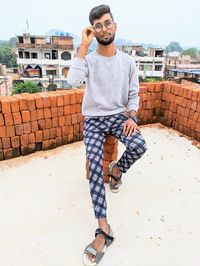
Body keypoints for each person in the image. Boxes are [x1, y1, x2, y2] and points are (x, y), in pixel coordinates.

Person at [67, 4, 147, 266]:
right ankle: (104, 228)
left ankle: (118, 169)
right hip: (93, 120)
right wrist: (83, 46)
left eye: (107, 23)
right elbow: (72, 82)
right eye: (97, 25)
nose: (103, 28)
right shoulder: (88, 60)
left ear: (115, 26)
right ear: (94, 30)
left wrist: (132, 116)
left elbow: (134, 92)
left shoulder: (127, 61)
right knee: (94, 164)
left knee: (139, 145)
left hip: (118, 116)